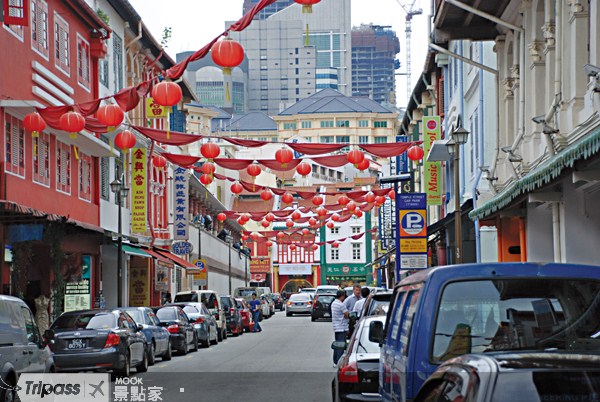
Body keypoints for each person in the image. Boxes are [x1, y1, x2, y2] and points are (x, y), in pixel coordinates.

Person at [331, 290, 349, 366]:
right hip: (342, 327)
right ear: (342, 296)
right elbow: (346, 314)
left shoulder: (334, 303)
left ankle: (335, 361)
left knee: (337, 344)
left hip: (336, 326)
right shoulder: (341, 305)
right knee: (341, 345)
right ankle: (338, 361)